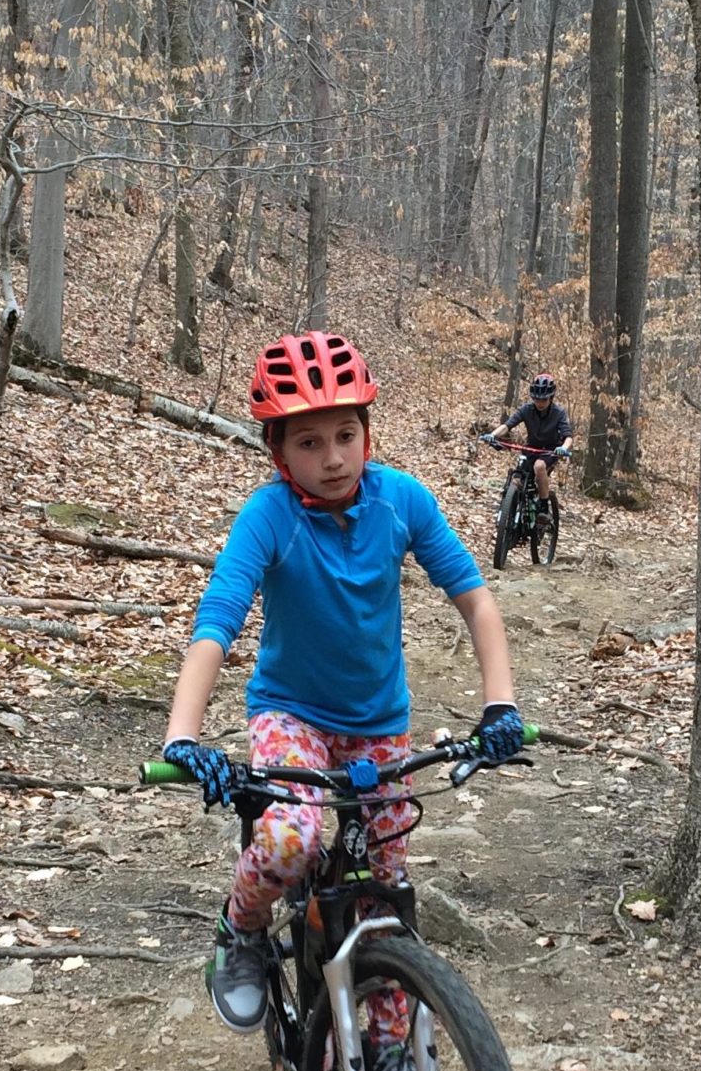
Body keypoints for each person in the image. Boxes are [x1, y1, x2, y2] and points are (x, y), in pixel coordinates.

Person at [158, 332, 525, 1031]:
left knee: (385, 898)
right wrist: (183, 737)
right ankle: (240, 928)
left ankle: (392, 1060)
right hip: (290, 714)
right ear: (277, 451)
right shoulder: (270, 516)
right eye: (307, 442)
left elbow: (475, 598)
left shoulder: (401, 501)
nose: (332, 458)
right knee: (292, 838)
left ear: (367, 432)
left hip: (379, 724)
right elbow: (217, 624)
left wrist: (500, 704)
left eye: (346, 434)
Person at [490, 373, 572, 503]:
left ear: (551, 398)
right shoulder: (526, 409)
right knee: (517, 477)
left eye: (544, 400)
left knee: (539, 467)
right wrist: (492, 435)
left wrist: (563, 448)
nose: (539, 403)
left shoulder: (559, 413)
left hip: (549, 451)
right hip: (530, 449)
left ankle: (544, 507)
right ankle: (511, 509)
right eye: (536, 399)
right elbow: (507, 426)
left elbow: (568, 436)